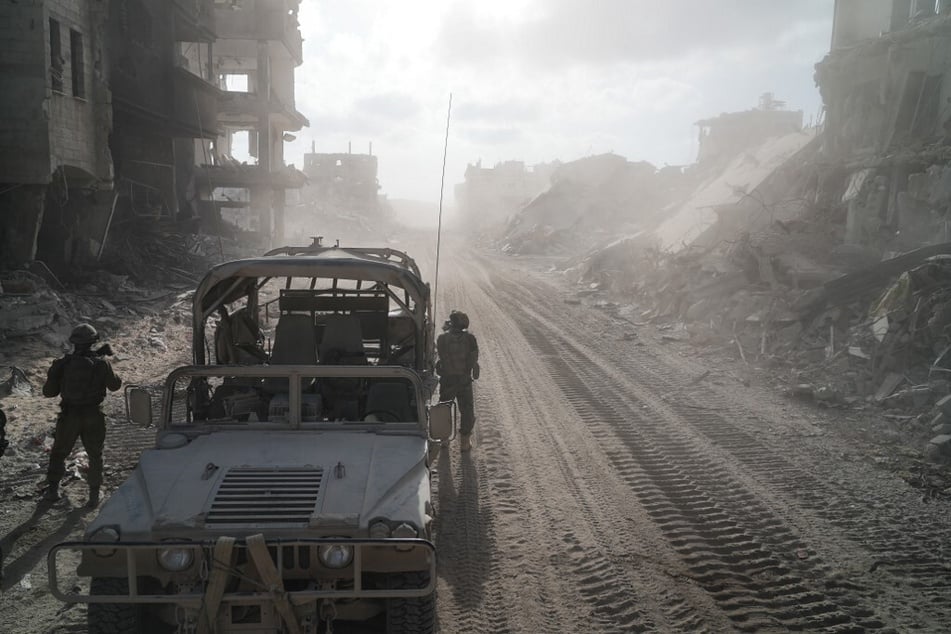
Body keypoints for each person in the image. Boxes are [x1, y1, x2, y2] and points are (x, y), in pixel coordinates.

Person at [41, 323, 121, 505]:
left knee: (59, 453)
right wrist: (103, 361)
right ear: (94, 341)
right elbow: (115, 385)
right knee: (95, 454)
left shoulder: (62, 364)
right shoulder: (101, 364)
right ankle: (93, 495)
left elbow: (49, 392)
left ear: (73, 342)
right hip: (93, 415)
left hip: (70, 415)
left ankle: (53, 491)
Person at [436, 310, 480, 451]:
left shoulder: (442, 339)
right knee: (466, 410)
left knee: (444, 408)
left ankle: (444, 440)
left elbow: (441, 356)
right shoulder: (470, 339)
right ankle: (465, 442)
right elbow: (473, 359)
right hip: (463, 380)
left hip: (447, 380)